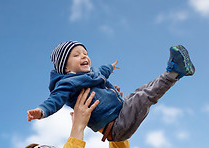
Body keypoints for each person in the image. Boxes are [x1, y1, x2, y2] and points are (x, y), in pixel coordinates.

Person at [27, 41, 195, 141]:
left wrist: (111, 67)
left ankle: (173, 71)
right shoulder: (67, 83)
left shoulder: (91, 74)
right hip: (116, 126)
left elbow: (102, 70)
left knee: (141, 90)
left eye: (85, 53)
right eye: (76, 55)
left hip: (121, 109)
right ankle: (174, 72)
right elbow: (54, 100)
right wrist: (41, 111)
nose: (84, 56)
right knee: (145, 96)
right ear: (65, 67)